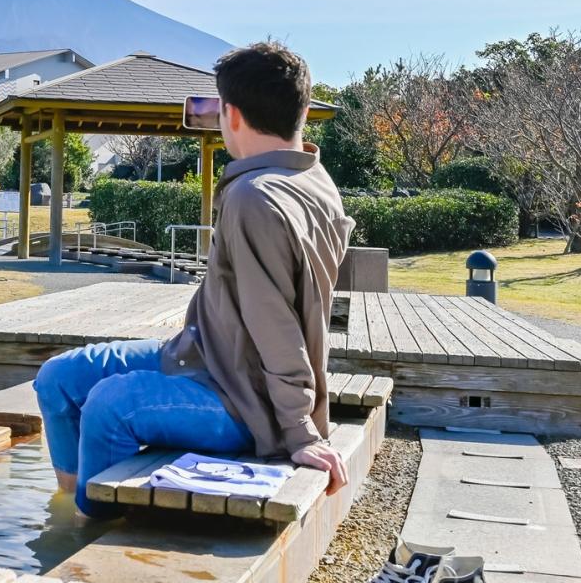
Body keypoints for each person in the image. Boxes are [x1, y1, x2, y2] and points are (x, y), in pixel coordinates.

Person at [34, 41, 355, 516]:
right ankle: (72, 507)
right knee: (59, 378)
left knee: (108, 405)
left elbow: (277, 326)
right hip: (203, 356)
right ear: (303, 111)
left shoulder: (255, 196)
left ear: (231, 115)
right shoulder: (309, 175)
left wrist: (300, 431)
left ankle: (94, 530)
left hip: (245, 400)